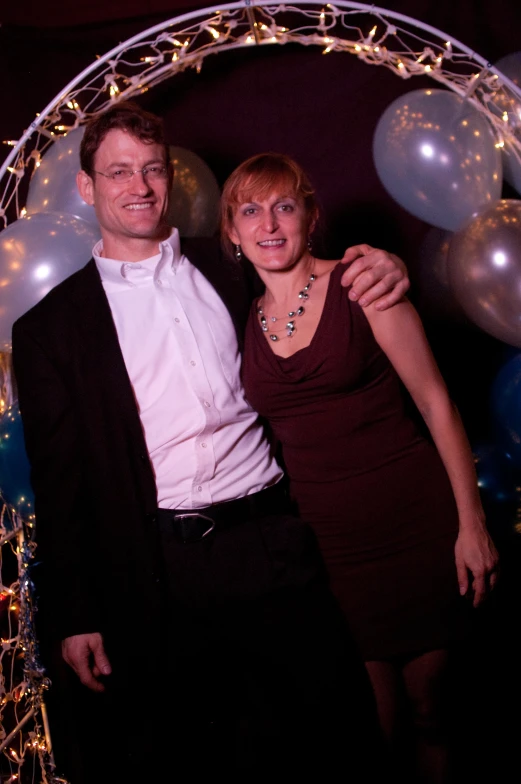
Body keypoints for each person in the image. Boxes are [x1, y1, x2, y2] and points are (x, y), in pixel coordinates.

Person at [11, 103, 409, 783]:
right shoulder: (50, 329)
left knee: (335, 743)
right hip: (162, 570)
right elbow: (61, 481)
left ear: (169, 178)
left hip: (274, 539)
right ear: (86, 187)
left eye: (151, 170)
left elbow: (316, 275)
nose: (138, 187)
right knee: (205, 762)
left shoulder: (230, 266)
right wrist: (74, 612)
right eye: (117, 173)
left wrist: (383, 265)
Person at [222, 152, 500, 784]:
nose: (269, 223)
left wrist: (472, 524)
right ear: (232, 233)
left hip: (416, 525)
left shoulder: (361, 283)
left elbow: (435, 400)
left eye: (284, 206)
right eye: (250, 210)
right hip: (331, 550)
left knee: (434, 710)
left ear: (310, 217)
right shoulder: (242, 318)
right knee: (372, 725)